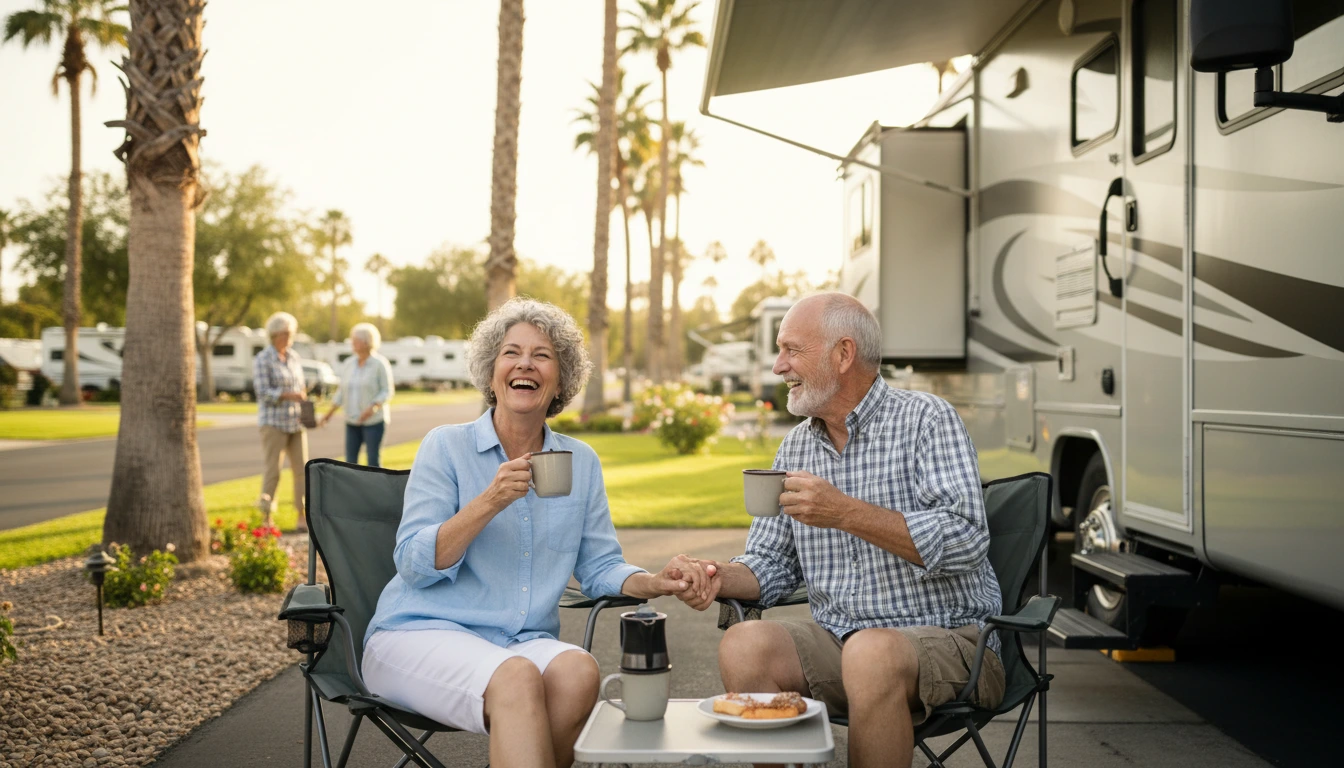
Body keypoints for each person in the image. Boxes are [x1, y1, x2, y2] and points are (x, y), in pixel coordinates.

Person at [361, 297, 714, 768]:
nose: (525, 363)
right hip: (417, 633)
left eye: (542, 355)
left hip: (518, 642)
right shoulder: (445, 446)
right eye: (511, 352)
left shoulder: (581, 462)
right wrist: (490, 501)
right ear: (491, 373)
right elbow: (412, 564)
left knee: (577, 670)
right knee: (516, 677)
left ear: (560, 381)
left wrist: (655, 581)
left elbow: (601, 565)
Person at [676, 293, 1004, 768]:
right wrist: (714, 575)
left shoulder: (926, 419)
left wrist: (845, 513)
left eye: (791, 349)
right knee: (745, 643)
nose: (777, 366)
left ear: (843, 354)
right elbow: (772, 563)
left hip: (956, 643)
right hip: (842, 642)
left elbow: (966, 538)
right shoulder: (795, 447)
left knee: (870, 652)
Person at [253, 311, 309, 533]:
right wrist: (287, 394)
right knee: (272, 471)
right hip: (273, 423)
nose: (288, 337)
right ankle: (266, 517)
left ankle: (302, 515)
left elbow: (301, 386)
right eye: (284, 333)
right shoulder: (263, 359)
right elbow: (262, 392)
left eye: (290, 333)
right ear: (274, 334)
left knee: (302, 470)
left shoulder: (294, 357)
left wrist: (302, 396)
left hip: (296, 423)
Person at [320, 322, 394, 467]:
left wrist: (373, 406)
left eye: (356, 340)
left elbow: (387, 390)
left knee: (373, 461)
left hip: (374, 421)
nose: (352, 343)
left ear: (367, 342)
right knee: (350, 463)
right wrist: (329, 414)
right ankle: (353, 490)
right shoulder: (349, 364)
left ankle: (374, 489)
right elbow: (342, 391)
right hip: (352, 420)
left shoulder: (379, 364)